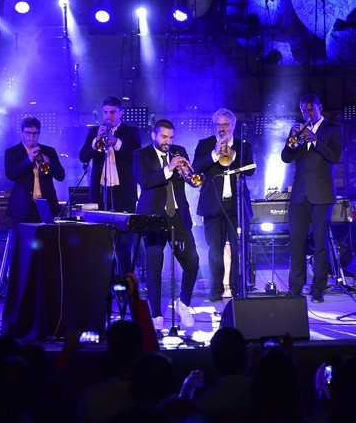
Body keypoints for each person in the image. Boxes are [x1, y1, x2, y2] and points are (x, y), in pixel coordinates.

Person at [133, 119, 200, 330]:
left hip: (178, 216)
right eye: (164, 137)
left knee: (192, 261)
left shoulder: (179, 151)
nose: (168, 142)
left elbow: (192, 178)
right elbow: (145, 181)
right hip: (153, 217)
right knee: (154, 267)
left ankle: (184, 303)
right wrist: (169, 168)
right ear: (154, 136)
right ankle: (155, 314)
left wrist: (189, 173)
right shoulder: (141, 155)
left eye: (171, 137)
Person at [281, 93, 343, 303]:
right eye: (303, 110)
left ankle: (318, 289)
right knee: (296, 244)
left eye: (310, 109)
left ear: (319, 108)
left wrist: (315, 140)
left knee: (320, 244)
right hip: (299, 195)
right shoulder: (298, 131)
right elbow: (285, 158)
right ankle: (295, 288)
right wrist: (292, 141)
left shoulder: (333, 130)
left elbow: (335, 157)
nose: (307, 113)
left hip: (321, 195)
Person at [192, 108, 255, 302]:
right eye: (218, 124)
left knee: (238, 250)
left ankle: (237, 289)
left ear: (233, 126)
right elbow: (196, 167)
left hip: (236, 207)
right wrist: (214, 153)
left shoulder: (244, 145)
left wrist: (233, 154)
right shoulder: (205, 145)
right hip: (213, 206)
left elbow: (251, 170)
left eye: (225, 124)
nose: (222, 128)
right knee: (215, 251)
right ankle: (215, 291)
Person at [79, 96, 143, 276]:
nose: (109, 117)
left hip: (124, 194)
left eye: (113, 112)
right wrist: (96, 140)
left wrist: (117, 143)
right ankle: (102, 281)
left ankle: (124, 281)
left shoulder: (131, 132)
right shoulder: (93, 132)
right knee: (99, 240)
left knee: (124, 243)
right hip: (100, 193)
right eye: (106, 112)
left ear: (121, 113)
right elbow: (83, 156)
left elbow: (137, 157)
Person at [4, 116, 65, 224]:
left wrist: (49, 162)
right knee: (23, 240)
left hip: (46, 205)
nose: (31, 137)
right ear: (21, 133)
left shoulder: (49, 151)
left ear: (39, 133)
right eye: (28, 133)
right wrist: (28, 160)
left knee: (47, 239)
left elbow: (61, 176)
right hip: (23, 207)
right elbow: (10, 174)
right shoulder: (12, 152)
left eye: (35, 133)